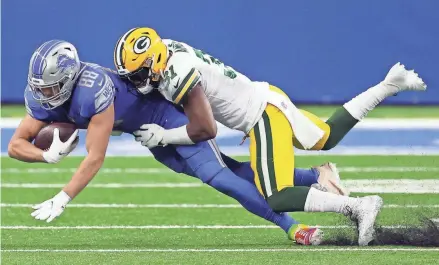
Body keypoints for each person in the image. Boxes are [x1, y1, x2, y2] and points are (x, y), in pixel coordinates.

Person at [114, 27, 427, 245]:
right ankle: (390, 84)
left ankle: (359, 206)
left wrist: (165, 135)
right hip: (267, 97)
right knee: (327, 137)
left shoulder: (175, 75)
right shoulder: (167, 49)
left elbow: (205, 130)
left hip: (260, 115)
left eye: (140, 73)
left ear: (155, 61)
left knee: (277, 195)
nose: (139, 81)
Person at [9, 40, 338, 246]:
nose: (43, 94)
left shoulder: (93, 91)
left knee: (219, 177)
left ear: (67, 80)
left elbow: (95, 157)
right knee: (232, 169)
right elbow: (15, 145)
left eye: (50, 87)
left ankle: (294, 228)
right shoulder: (43, 98)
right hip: (150, 137)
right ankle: (316, 176)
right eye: (40, 87)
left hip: (166, 119)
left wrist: (63, 197)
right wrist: (45, 157)